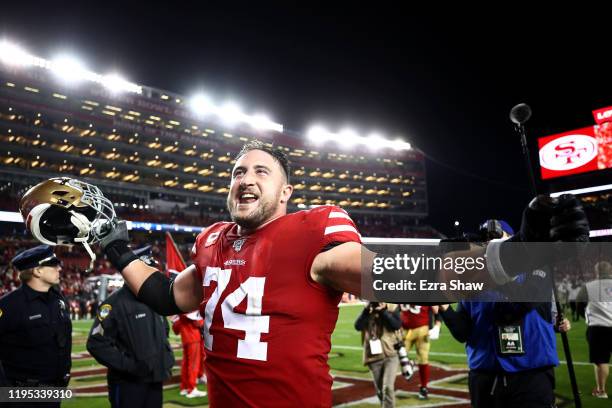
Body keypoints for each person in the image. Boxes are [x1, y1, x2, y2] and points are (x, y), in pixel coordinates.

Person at [24, 141, 588, 406]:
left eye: (261, 171)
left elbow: (395, 274)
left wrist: (519, 258)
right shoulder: (212, 240)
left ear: (286, 191)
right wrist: (116, 245)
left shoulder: (313, 230)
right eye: (237, 170)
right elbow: (169, 297)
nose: (245, 178)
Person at [439, 220, 573, 407]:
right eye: (485, 239)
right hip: (485, 378)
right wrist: (443, 307)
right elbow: (463, 333)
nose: (489, 244)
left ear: (513, 240)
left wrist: (492, 268)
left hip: (531, 377)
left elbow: (525, 301)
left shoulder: (537, 267)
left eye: (496, 238)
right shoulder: (471, 279)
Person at [86, 247, 175, 408]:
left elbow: (164, 330)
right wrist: (130, 367)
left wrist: (165, 358)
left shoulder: (155, 298)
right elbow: (96, 343)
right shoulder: (113, 304)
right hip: (129, 384)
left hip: (155, 379)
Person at [0, 245, 72, 407]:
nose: (59, 268)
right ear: (37, 271)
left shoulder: (58, 300)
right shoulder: (8, 305)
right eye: (53, 264)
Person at [354, 302, 402, 407]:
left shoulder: (392, 307)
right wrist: (366, 311)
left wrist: (383, 311)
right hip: (373, 356)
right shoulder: (368, 310)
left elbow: (396, 325)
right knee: (380, 390)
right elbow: (358, 326)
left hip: (391, 354)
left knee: (388, 387)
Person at [577, 260, 612, 399]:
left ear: (596, 272)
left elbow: (579, 306)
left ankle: (601, 391)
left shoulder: (589, 286)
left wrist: (586, 316)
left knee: (601, 361)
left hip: (598, 328)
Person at [399, 304, 441, 399]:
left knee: (423, 359)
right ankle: (410, 364)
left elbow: (437, 309)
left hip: (422, 329)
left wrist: (437, 326)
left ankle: (424, 387)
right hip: (405, 330)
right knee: (398, 355)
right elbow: (395, 309)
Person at [171, 311, 207, 398]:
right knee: (193, 365)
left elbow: (175, 329)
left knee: (185, 364)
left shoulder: (179, 310)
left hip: (185, 338)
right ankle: (191, 389)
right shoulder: (190, 309)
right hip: (193, 338)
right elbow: (198, 323)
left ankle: (184, 387)